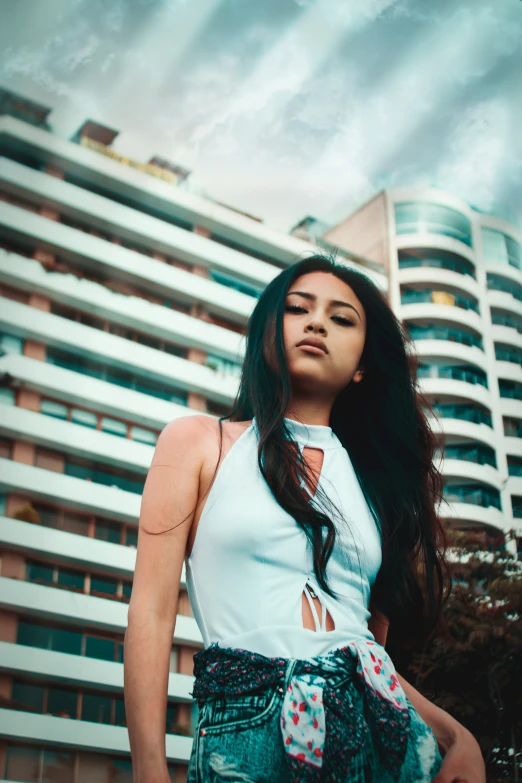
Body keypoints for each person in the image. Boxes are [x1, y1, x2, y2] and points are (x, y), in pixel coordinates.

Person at [124, 254, 486, 782]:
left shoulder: (375, 490)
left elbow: (364, 652)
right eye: (298, 309)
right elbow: (151, 612)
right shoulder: (202, 443)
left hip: (382, 736)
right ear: (269, 333)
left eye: (342, 319)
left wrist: (457, 736)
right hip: (247, 724)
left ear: (362, 366)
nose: (317, 322)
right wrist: (149, 770)